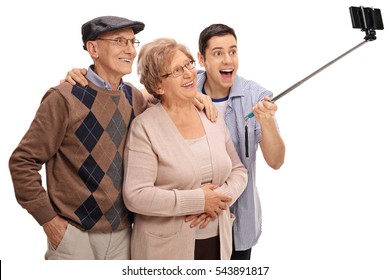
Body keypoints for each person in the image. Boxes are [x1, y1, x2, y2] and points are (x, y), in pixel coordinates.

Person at [8, 15, 150, 260]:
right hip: (74, 235)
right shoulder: (63, 98)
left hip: (124, 235)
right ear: (93, 48)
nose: (130, 50)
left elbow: (172, 91)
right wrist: (49, 221)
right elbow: (22, 162)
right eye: (119, 41)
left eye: (132, 41)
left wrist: (199, 97)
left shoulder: (133, 97)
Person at [122, 38, 248, 260]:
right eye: (177, 70)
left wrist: (218, 200)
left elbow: (239, 170)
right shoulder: (145, 127)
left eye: (189, 64)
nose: (190, 73)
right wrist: (198, 200)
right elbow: (136, 195)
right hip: (165, 251)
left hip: (218, 243)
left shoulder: (210, 115)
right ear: (158, 86)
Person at [196, 24, 286, 260]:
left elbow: (276, 161)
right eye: (218, 53)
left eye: (233, 51)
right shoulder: (186, 88)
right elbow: (150, 86)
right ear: (201, 59)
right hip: (195, 220)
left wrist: (266, 122)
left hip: (239, 225)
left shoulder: (254, 96)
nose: (228, 60)